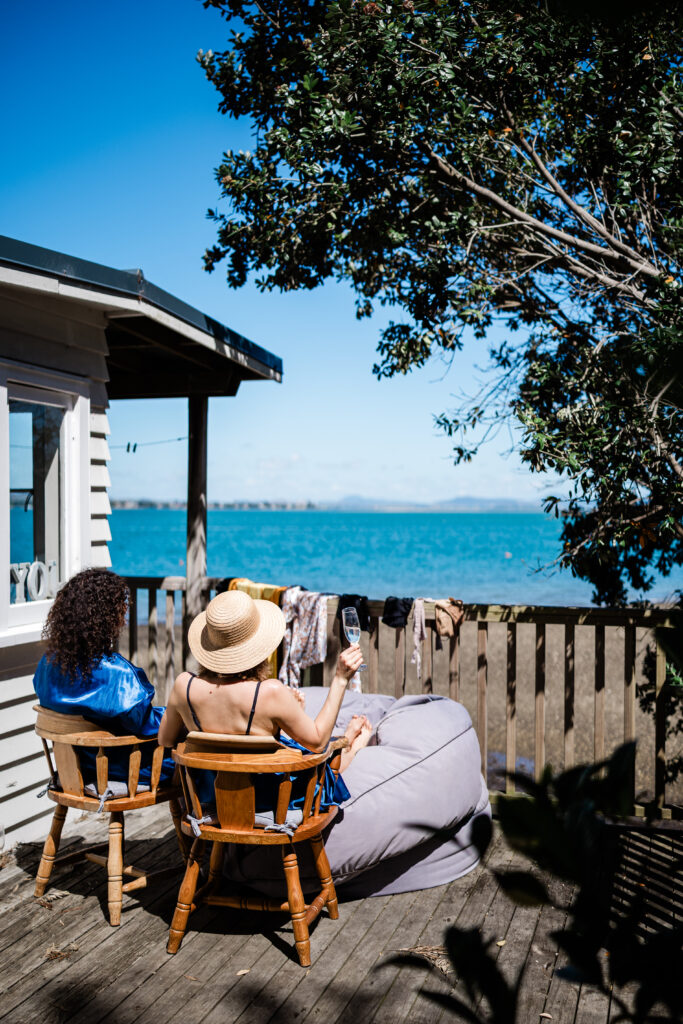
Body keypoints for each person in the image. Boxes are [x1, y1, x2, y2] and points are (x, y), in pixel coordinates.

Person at [158, 589, 372, 810]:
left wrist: (206, 726)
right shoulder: (270, 693)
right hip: (265, 801)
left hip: (208, 797)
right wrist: (340, 679)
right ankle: (350, 747)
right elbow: (317, 743)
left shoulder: (184, 686)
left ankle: (345, 742)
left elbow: (165, 739)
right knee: (321, 770)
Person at [33, 568, 175, 788]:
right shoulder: (118, 674)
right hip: (115, 767)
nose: (123, 619)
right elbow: (146, 725)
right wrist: (178, 715)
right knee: (189, 754)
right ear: (106, 618)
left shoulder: (48, 664)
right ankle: (206, 808)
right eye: (120, 611)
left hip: (74, 765)